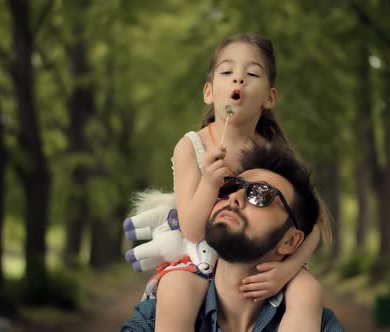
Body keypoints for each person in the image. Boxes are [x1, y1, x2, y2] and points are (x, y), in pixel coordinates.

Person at [127, 33, 329, 331]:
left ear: (269, 98)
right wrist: (209, 182)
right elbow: (194, 230)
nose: (238, 80)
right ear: (209, 92)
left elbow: (313, 226)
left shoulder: (275, 154)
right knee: (175, 288)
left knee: (308, 291)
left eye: (251, 74)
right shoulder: (191, 146)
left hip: (259, 257)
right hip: (202, 257)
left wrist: (285, 271)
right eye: (227, 72)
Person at [122, 143, 344, 331]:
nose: (234, 197)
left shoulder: (318, 324)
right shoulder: (154, 318)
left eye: (260, 194)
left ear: (290, 241)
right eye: (230, 187)